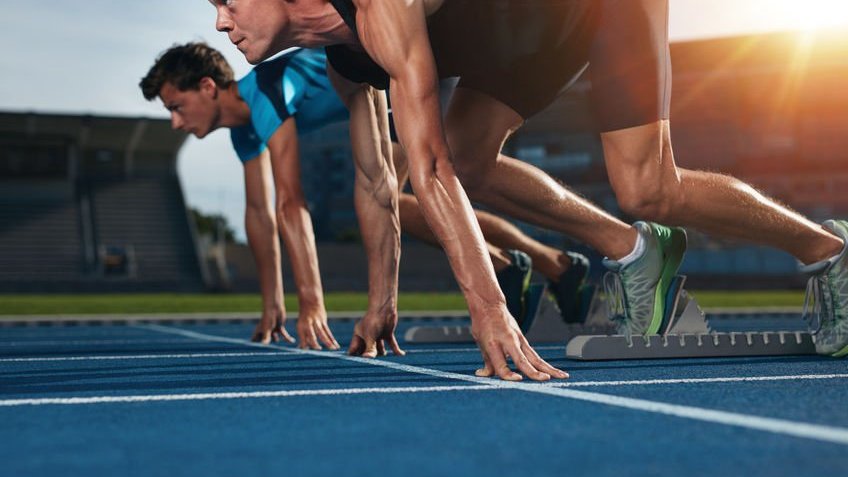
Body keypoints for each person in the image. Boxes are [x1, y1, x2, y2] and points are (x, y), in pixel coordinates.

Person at [209, 0, 847, 377]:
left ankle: (829, 250)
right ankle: (634, 252)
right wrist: (382, 301)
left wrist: (490, 307)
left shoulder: (380, 8)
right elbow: (379, 179)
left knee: (648, 187)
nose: (220, 23)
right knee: (465, 156)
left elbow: (425, 170)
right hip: (521, 38)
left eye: (228, 1)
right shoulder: (346, 59)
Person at [140, 42, 591, 353]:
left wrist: (312, 303)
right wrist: (273, 304)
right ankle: (541, 264)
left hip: (393, 82)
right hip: (374, 104)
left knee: (395, 198)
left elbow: (291, 203)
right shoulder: (244, 133)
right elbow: (259, 214)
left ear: (206, 87)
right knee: (402, 203)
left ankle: (534, 264)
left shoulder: (266, 92)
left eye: (175, 107)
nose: (176, 123)